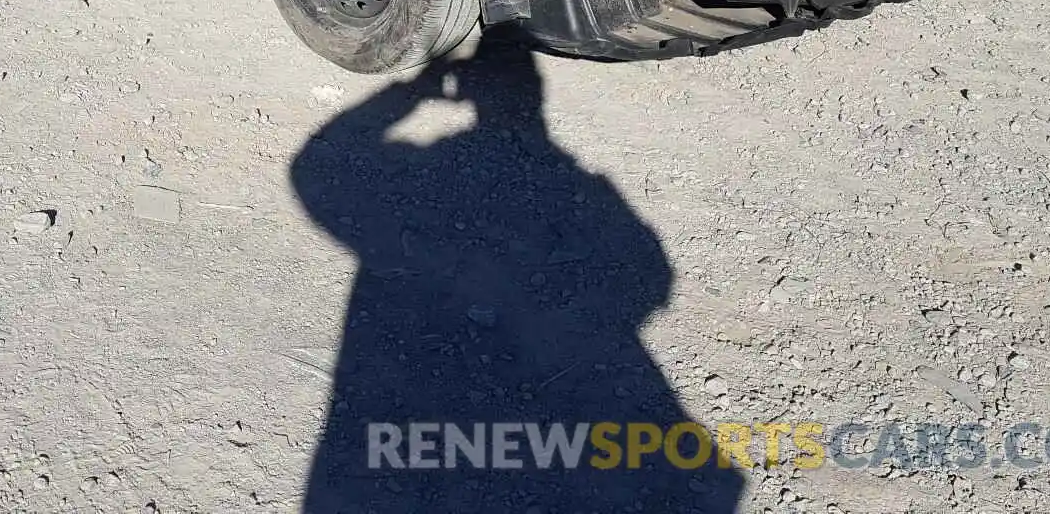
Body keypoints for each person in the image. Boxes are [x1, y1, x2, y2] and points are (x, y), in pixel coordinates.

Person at [291, 44, 744, 512]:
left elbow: (313, 170)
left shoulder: (451, 175)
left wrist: (411, 93)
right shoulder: (575, 188)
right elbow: (653, 276)